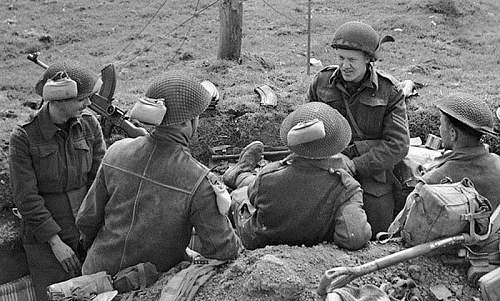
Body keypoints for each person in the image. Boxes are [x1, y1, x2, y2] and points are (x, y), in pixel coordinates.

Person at [76, 73, 241, 276]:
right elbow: (224, 250)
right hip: (145, 288)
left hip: (94, 276)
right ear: (188, 122)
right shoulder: (199, 180)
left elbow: (86, 220)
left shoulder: (116, 151)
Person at [9, 61, 106, 301]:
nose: (87, 104)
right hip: (47, 238)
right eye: (82, 99)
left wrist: (95, 227)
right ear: (59, 99)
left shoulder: (89, 125)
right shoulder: (24, 137)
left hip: (87, 227)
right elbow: (26, 198)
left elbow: (100, 178)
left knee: (98, 300)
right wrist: (55, 243)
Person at [222, 102, 372, 250]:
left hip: (259, 240)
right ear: (336, 145)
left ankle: (238, 175)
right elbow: (354, 236)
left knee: (239, 196)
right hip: (313, 246)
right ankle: (238, 174)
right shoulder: (346, 188)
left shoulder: (268, 175)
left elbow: (254, 196)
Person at [307, 21, 409, 235]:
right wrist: (333, 157)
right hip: (329, 169)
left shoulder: (389, 91)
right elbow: (304, 127)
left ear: (368, 60)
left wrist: (354, 165)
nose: (345, 66)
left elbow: (398, 145)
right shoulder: (322, 82)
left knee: (378, 232)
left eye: (352, 60)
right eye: (341, 58)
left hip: (373, 176)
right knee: (313, 229)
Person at [422, 93, 500, 252]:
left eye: (441, 123)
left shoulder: (433, 180)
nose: (438, 128)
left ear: (452, 133)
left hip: (449, 256)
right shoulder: (498, 163)